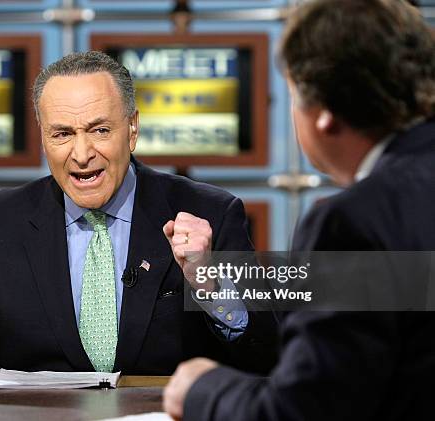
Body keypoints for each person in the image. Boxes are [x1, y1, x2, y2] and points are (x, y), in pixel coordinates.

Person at [0, 51, 278, 375]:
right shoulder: (0, 220)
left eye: (100, 130)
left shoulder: (211, 212)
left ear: (132, 128)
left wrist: (209, 288)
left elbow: (266, 355)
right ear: (43, 137)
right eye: (62, 134)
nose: (82, 155)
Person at [163, 0, 435, 419]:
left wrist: (202, 389)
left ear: (323, 113)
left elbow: (305, 410)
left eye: (292, 94)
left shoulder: (355, 223)